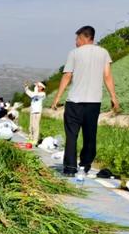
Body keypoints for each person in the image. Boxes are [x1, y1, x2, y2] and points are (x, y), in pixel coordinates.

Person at [50, 25, 119, 176]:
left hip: (74, 102)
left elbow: (67, 76)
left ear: (84, 37)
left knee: (72, 135)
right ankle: (85, 165)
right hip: (93, 103)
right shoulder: (103, 53)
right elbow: (107, 76)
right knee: (90, 134)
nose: (76, 42)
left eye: (77, 38)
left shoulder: (74, 53)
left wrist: (56, 98)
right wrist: (113, 97)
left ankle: (70, 168)